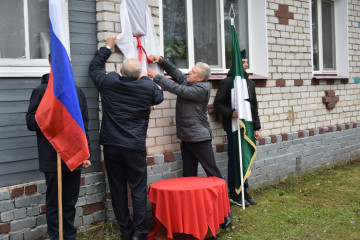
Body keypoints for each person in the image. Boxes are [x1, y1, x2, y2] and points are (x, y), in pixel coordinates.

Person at [89, 35, 164, 240]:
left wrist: (108, 47)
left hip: (112, 146)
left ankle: (126, 231)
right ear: (139, 74)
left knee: (118, 189)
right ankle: (139, 233)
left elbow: (94, 69)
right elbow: (159, 97)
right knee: (138, 190)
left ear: (121, 72)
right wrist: (145, 79)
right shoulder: (148, 87)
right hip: (133, 147)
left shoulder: (109, 81)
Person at [147, 55, 232, 229]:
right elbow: (176, 73)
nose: (188, 73)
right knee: (189, 176)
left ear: (200, 77)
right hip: (187, 138)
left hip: (200, 139)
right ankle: (192, 213)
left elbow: (178, 89)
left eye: (192, 72)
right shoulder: (190, 81)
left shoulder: (201, 88)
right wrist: (161, 61)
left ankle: (225, 212)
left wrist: (154, 76)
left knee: (213, 174)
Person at [26, 54, 91, 240]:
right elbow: (30, 123)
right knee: (55, 204)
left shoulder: (77, 93)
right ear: (51, 64)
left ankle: (69, 236)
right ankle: (57, 237)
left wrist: (86, 155)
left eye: (68, 63)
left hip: (75, 157)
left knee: (70, 203)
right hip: (51, 157)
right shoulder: (41, 91)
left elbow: (84, 126)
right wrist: (48, 115)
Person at [213, 49, 261, 207]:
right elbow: (217, 104)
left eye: (247, 62)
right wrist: (231, 113)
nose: (246, 64)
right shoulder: (228, 82)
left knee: (245, 158)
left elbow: (253, 107)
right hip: (233, 127)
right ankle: (235, 193)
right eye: (243, 62)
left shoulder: (250, 83)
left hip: (247, 128)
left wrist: (256, 127)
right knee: (235, 159)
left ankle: (244, 191)